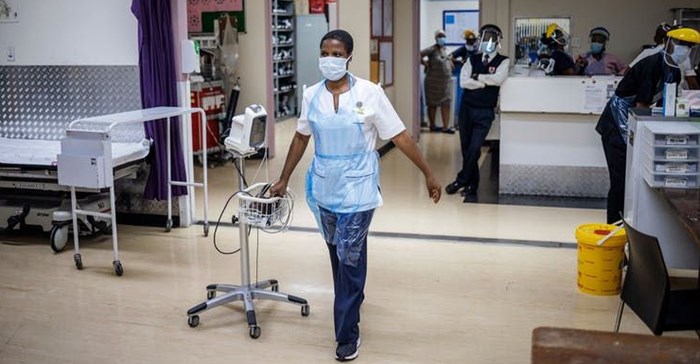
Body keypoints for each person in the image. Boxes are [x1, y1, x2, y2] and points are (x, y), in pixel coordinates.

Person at [269, 29, 442, 362]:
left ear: (349, 57)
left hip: (359, 186)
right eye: (325, 52)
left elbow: (401, 137)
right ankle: (352, 296)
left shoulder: (369, 93)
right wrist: (284, 178)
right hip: (324, 187)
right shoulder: (312, 96)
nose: (329, 59)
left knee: (349, 255)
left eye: (336, 53)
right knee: (339, 254)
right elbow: (301, 139)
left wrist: (428, 173)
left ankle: (347, 334)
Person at [595, 27, 700, 223]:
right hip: (616, 126)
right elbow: (642, 105)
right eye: (681, 45)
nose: (685, 50)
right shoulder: (652, 64)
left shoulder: (674, 73)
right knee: (620, 181)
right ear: (669, 44)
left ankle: (630, 222)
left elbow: (664, 106)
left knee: (632, 180)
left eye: (690, 47)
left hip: (634, 123)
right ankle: (613, 226)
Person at [445, 24, 509, 201]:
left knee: (475, 148)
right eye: (485, 37)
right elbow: (464, 82)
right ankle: (472, 185)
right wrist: (484, 82)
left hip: (485, 112)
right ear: (480, 39)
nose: (488, 41)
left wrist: (478, 77)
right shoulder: (472, 59)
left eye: (492, 38)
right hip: (466, 109)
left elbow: (498, 79)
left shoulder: (504, 61)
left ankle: (461, 180)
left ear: (498, 41)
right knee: (466, 148)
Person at [629, 23, 699, 89]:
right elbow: (692, 83)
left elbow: (628, 72)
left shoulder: (648, 52)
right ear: (667, 40)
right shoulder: (683, 56)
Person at [420, 29, 455, 133]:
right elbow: (418, 54)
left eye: (443, 36)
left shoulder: (446, 49)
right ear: (436, 38)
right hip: (432, 82)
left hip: (446, 83)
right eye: (440, 36)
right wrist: (425, 64)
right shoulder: (432, 49)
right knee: (432, 104)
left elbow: (449, 60)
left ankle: (446, 127)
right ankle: (433, 126)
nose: (442, 38)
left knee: (446, 103)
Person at [450, 30, 479, 129]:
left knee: (475, 101)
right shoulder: (463, 49)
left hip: (476, 79)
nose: (471, 42)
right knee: (462, 102)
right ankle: (461, 123)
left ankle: (473, 123)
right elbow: (450, 56)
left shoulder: (478, 50)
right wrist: (459, 62)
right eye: (468, 40)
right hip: (464, 79)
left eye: (472, 40)